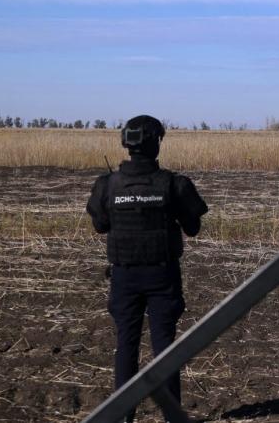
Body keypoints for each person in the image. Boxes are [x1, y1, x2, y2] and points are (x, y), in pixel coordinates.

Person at [86, 115, 208, 422]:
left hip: (124, 277)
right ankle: (171, 417)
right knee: (165, 348)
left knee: (126, 344)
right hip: (162, 275)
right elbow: (193, 227)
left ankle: (123, 416)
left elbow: (100, 225)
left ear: (126, 144)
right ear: (156, 144)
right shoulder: (174, 184)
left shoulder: (108, 185)